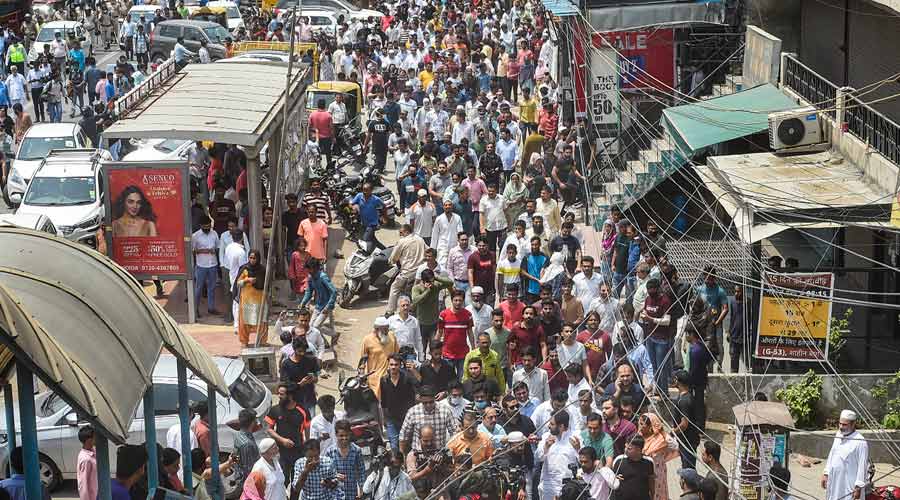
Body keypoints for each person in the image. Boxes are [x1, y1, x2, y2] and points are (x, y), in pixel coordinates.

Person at [266, 384, 309, 485]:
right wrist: (282, 440)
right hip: (281, 453)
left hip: (298, 452)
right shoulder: (275, 409)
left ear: (290, 396)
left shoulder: (303, 411)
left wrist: (307, 450)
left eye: (281, 394)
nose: (278, 396)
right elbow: (269, 429)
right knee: (282, 481)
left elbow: (307, 433)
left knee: (297, 482)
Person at [399, 385, 459, 455]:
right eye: (425, 403)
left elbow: (454, 433)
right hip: (418, 455)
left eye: (431, 402)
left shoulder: (445, 411)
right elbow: (404, 436)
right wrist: (403, 456)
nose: (428, 405)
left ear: (434, 398)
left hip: (439, 455)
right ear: (420, 399)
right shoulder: (413, 412)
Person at [823, 409, 869, 500]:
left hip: (849, 485)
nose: (840, 426)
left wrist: (858, 486)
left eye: (844, 424)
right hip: (835, 481)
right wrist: (826, 473)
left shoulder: (860, 442)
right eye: (840, 423)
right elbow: (832, 454)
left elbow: (862, 466)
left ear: (853, 424)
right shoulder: (838, 435)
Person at [535, 411, 579, 500]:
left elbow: (583, 461)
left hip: (568, 487)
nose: (548, 426)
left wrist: (578, 450)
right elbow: (538, 457)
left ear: (561, 426)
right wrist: (546, 447)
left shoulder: (575, 438)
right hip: (548, 485)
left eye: (552, 424)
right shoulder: (546, 437)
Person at [637, 413, 678, 500]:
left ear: (650, 426)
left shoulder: (660, 439)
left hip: (657, 473)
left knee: (657, 493)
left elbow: (675, 446)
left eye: (642, 424)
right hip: (641, 471)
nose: (639, 426)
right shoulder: (637, 437)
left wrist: (662, 431)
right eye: (639, 423)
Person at [380, 354, 418, 450]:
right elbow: (383, 401)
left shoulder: (407, 378)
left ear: (400, 365)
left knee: (407, 444)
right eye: (391, 364)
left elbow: (418, 384)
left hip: (406, 418)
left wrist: (413, 371)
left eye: (396, 365)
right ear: (388, 365)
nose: (393, 367)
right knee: (394, 445)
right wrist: (384, 418)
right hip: (391, 418)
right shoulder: (384, 380)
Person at [387, 224, 427, 315]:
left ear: (406, 231)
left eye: (401, 233)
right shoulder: (420, 239)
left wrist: (391, 261)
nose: (400, 235)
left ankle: (390, 311)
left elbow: (394, 257)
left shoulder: (402, 241)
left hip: (407, 273)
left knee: (394, 288)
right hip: (419, 273)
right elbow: (427, 251)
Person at [234, 249, 268, 347]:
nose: (252, 260)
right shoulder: (244, 268)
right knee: (245, 321)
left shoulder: (262, 269)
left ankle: (262, 341)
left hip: (259, 299)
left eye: (254, 258)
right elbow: (238, 283)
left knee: (261, 320)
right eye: (251, 258)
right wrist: (247, 280)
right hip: (246, 300)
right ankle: (244, 341)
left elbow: (266, 283)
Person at [437, 289, 475, 376]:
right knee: (448, 380)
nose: (458, 302)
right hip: (447, 354)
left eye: (460, 300)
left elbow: (470, 333)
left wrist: (473, 349)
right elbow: (439, 333)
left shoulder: (468, 315)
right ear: (452, 300)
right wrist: (434, 348)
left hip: (463, 354)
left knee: (462, 379)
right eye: (456, 300)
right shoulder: (443, 315)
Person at [327, 420, 365, 500]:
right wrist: (335, 476)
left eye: (346, 435)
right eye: (341, 435)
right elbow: (326, 473)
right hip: (335, 494)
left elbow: (361, 471)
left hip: (352, 492)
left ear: (350, 434)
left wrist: (360, 488)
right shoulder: (330, 451)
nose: (344, 438)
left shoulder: (356, 450)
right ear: (336, 435)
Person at [191, 216, 220, 317]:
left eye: (209, 226)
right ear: (201, 226)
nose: (207, 228)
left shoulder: (214, 233)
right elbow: (192, 250)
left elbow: (217, 247)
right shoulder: (195, 236)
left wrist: (214, 251)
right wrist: (203, 250)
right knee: (198, 288)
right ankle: (196, 309)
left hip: (213, 264)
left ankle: (211, 308)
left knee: (211, 288)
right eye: (205, 227)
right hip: (201, 265)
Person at [610, 435, 654, 500]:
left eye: (629, 448)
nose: (625, 450)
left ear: (638, 450)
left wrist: (653, 495)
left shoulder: (648, 462)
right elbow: (611, 477)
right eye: (625, 447)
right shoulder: (619, 460)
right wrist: (614, 477)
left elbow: (651, 480)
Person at [301, 259, 337, 337]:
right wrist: (303, 303)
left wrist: (328, 307)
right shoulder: (311, 278)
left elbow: (334, 292)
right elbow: (309, 292)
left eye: (309, 269)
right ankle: (325, 343)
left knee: (316, 326)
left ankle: (335, 334)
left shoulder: (323, 277)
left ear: (314, 268)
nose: (307, 271)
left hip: (326, 306)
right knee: (310, 327)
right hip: (318, 305)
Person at [672, 370, 699, 469]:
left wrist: (673, 432)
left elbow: (684, 424)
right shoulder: (686, 396)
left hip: (688, 440)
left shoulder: (684, 400)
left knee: (688, 468)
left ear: (678, 381)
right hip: (687, 439)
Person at [352, 182, 386, 249]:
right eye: (363, 189)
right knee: (373, 240)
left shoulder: (376, 199)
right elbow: (352, 203)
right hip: (364, 223)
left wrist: (384, 217)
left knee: (365, 240)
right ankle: (384, 250)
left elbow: (384, 207)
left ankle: (367, 253)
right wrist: (354, 206)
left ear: (371, 191)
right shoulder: (359, 196)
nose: (364, 192)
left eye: (366, 190)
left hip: (372, 224)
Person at [233, 409, 261, 488]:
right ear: (252, 422)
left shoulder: (239, 434)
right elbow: (248, 469)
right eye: (255, 419)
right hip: (247, 483)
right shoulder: (247, 444)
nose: (257, 422)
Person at [76, 425, 97, 500]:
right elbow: (83, 485)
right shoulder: (86, 460)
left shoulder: (93, 450)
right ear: (89, 440)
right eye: (95, 437)